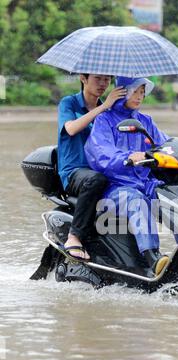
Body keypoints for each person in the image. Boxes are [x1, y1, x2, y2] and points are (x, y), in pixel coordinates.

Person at [84, 76, 170, 276]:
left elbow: (166, 144)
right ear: (122, 91)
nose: (140, 97)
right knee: (136, 201)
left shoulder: (145, 121)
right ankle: (152, 258)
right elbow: (101, 154)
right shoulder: (104, 120)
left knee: (170, 196)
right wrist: (128, 157)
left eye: (142, 92)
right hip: (116, 188)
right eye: (135, 91)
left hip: (146, 183)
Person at [58, 74, 127, 260]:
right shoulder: (69, 103)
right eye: (98, 79)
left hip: (101, 169)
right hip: (74, 172)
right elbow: (71, 128)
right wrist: (104, 107)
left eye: (107, 79)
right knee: (96, 179)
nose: (103, 84)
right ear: (83, 78)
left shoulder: (109, 110)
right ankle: (74, 237)